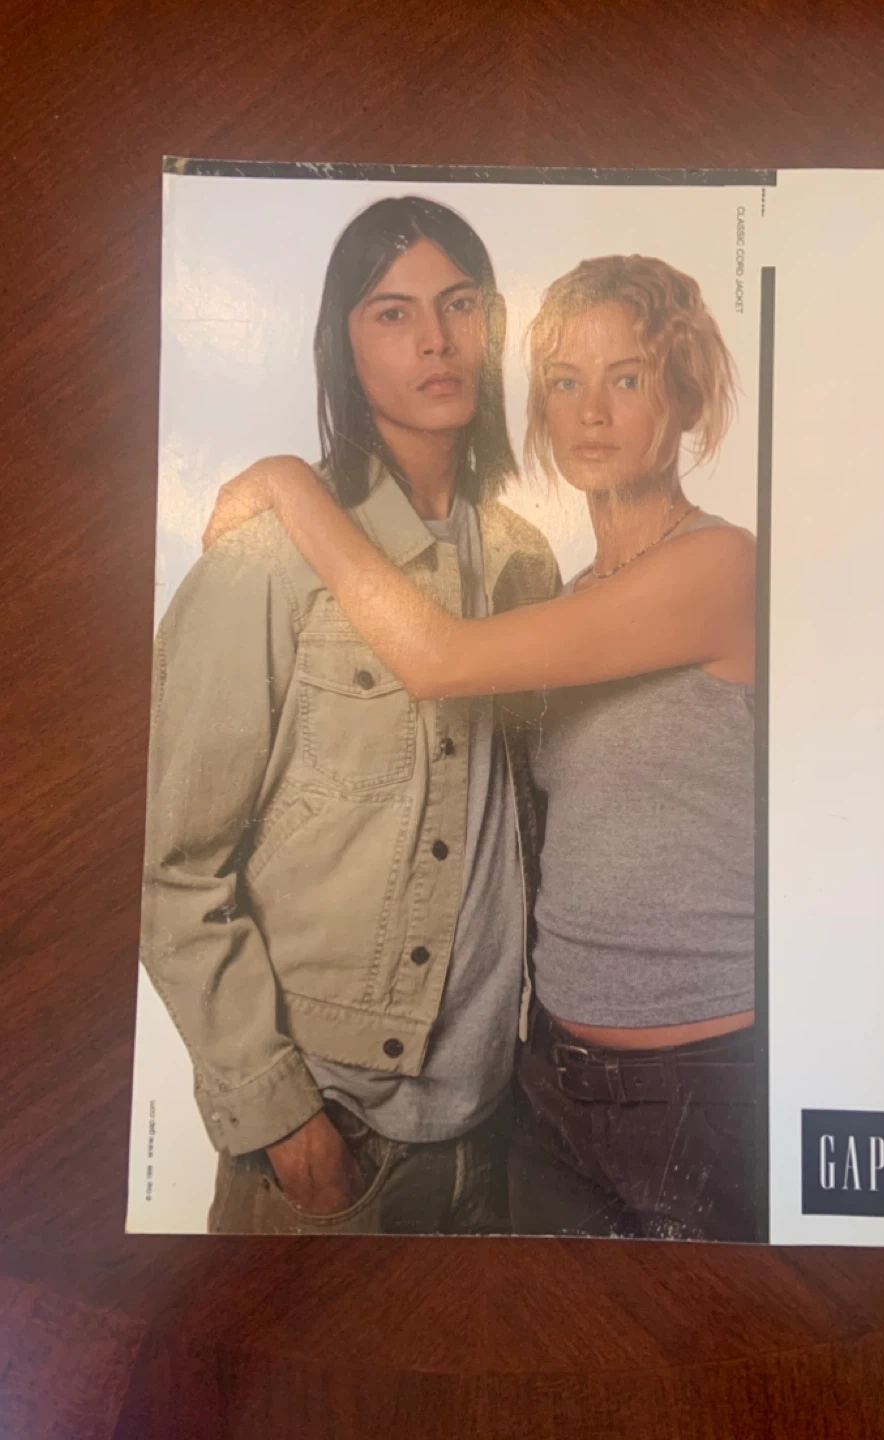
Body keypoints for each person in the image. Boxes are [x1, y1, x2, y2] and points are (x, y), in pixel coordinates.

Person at [205, 253, 758, 1241]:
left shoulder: (719, 566)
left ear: (684, 394)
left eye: (628, 378)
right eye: (565, 382)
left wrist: (292, 485)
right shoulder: (563, 596)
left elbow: (440, 660)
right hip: (544, 1084)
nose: (592, 412)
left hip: (694, 1088)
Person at [141, 196, 560, 1236]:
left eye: (460, 303)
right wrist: (282, 1120)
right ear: (343, 343)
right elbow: (168, 863)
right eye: (392, 312)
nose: (436, 339)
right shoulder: (269, 557)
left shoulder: (525, 561)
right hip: (336, 1140)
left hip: (495, 1133)